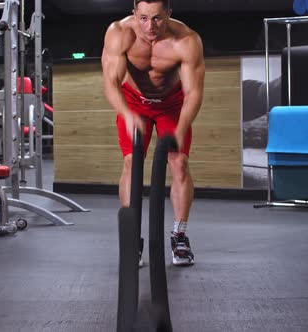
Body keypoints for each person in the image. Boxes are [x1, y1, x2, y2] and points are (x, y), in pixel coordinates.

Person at [102, 0, 205, 266]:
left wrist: (181, 129)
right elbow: (111, 84)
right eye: (144, 18)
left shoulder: (187, 39)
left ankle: (179, 236)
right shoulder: (119, 32)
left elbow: (193, 92)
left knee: (179, 163)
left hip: (171, 104)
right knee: (131, 163)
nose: (150, 26)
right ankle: (132, 238)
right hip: (135, 102)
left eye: (158, 18)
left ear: (169, 14)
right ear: (134, 12)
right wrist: (126, 115)